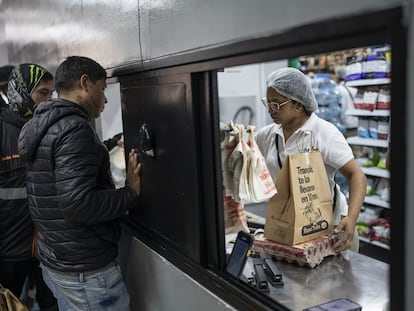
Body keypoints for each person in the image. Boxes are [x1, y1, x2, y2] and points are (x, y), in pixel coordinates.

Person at [17, 56, 142, 311]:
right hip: (85, 271)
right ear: (84, 83)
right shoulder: (74, 129)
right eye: (103, 89)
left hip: (57, 260)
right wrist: (130, 192)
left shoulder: (42, 126)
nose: (105, 99)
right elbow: (78, 204)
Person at [255, 67, 367, 252]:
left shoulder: (324, 133)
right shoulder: (266, 135)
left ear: (299, 105)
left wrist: (352, 218)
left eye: (277, 104)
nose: (270, 110)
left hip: (331, 229)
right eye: (267, 103)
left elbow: (357, 176)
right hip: (286, 228)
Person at [0, 63, 57, 310]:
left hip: (48, 249)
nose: (48, 100)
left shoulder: (49, 129)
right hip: (9, 251)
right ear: (20, 92)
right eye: (42, 93)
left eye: (51, 94)